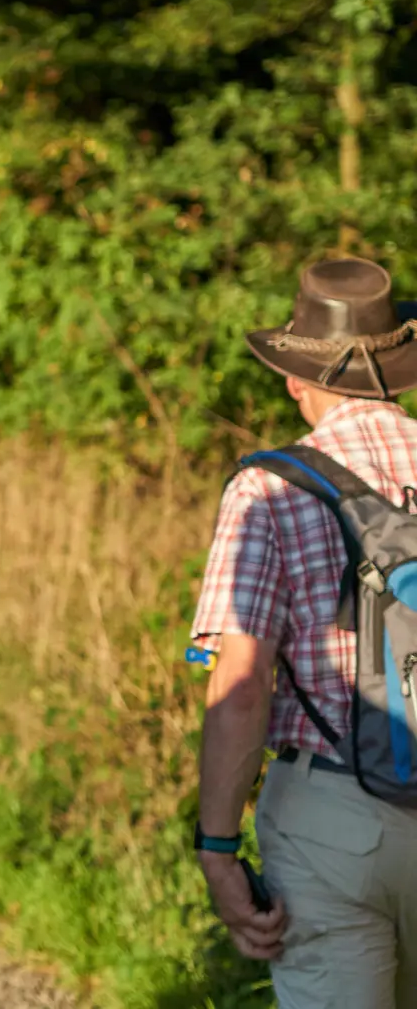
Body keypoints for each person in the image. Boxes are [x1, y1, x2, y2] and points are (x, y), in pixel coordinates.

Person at [193, 257, 417, 1007]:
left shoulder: (269, 488)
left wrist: (219, 847)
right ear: (399, 369)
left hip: (333, 821)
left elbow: (243, 679)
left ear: (295, 377)